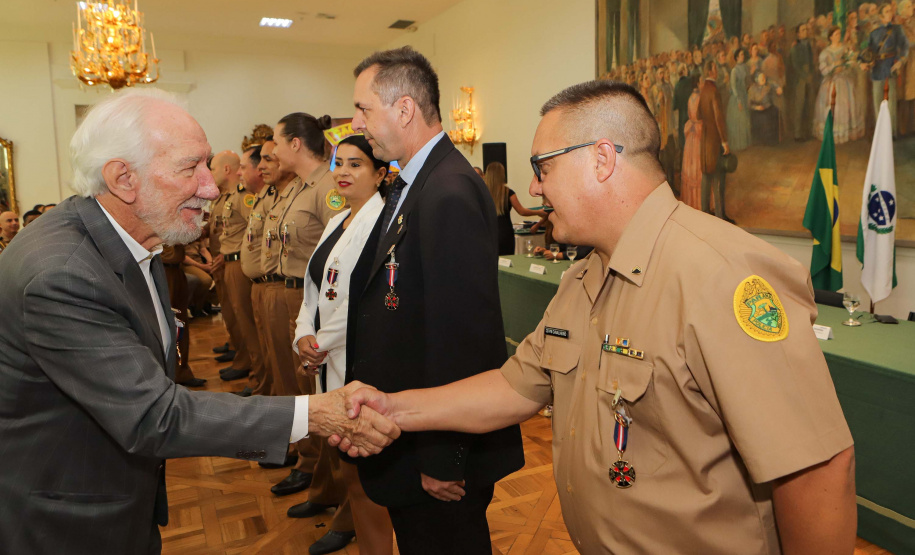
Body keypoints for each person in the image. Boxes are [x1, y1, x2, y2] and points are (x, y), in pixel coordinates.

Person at [337, 79, 857, 555]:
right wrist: (392, 407)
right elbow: (514, 386)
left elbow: (816, 470)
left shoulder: (721, 276)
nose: (535, 188)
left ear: (602, 159)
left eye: (544, 167)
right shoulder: (584, 278)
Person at [0, 88, 400, 554]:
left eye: (207, 166)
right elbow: (154, 414)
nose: (211, 186)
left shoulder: (127, 243)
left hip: (110, 502)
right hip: (67, 524)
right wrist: (315, 412)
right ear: (123, 178)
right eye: (191, 168)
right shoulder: (63, 273)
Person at [347, 46, 524, 554]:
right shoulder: (415, 180)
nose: (358, 124)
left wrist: (444, 458)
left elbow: (462, 339)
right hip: (409, 432)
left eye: (364, 109)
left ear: (404, 109)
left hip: (434, 449)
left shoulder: (448, 189)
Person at [293, 134, 394, 555]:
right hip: (327, 355)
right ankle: (353, 527)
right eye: (339, 163)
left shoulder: (383, 220)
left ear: (380, 174)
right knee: (345, 459)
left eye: (356, 164)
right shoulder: (338, 220)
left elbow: (363, 296)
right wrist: (303, 334)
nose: (343, 172)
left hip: (357, 357)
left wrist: (322, 342)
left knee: (363, 467)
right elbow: (312, 287)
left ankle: (376, 546)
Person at [266, 112, 341, 498]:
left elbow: (340, 253)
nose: (274, 151)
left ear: (296, 143)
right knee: (291, 385)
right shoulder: (298, 187)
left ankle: (322, 475)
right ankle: (308, 463)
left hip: (312, 301)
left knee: (309, 390)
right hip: (290, 294)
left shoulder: (328, 187)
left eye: (277, 142)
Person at [218, 147, 267, 387]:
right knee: (239, 319)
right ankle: (255, 375)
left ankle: (257, 377)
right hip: (233, 260)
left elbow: (254, 230)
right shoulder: (236, 195)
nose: (240, 173)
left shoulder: (246, 196)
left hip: (240, 262)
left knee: (247, 322)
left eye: (244, 167)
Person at [860, 2, 910, 136]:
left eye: (890, 11)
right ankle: (880, 134)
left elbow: (905, 47)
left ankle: (891, 133)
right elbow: (866, 51)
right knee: (878, 102)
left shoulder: (897, 29)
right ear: (881, 16)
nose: (890, 13)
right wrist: (863, 63)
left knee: (891, 103)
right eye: (887, 12)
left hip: (891, 67)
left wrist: (900, 61)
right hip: (876, 69)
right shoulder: (873, 33)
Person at [485, 161, 548, 255]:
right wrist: (538, 212)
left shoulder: (482, 193)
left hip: (487, 231)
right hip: (504, 232)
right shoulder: (507, 192)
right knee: (506, 260)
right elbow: (522, 211)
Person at [814, 26, 865, 144]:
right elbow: (823, 70)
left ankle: (845, 133)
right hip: (831, 82)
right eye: (836, 34)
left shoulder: (844, 49)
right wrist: (833, 67)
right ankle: (831, 133)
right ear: (831, 37)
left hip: (844, 81)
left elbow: (851, 63)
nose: (838, 36)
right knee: (832, 107)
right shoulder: (825, 52)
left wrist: (845, 67)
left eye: (839, 34)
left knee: (844, 105)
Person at [698, 60, 732, 222]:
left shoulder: (703, 90)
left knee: (706, 175)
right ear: (711, 71)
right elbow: (719, 118)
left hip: (705, 140)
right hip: (714, 139)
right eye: (715, 68)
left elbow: (698, 115)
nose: (717, 71)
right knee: (718, 176)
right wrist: (724, 141)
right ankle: (720, 215)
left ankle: (704, 211)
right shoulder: (713, 91)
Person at [791, 23, 817, 141]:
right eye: (803, 30)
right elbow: (795, 66)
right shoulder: (795, 48)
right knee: (799, 105)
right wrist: (805, 76)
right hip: (800, 80)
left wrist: (811, 73)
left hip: (810, 77)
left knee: (809, 104)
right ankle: (797, 134)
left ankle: (808, 132)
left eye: (806, 29)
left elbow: (812, 62)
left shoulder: (809, 46)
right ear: (798, 34)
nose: (805, 31)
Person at [681, 87, 703, 209]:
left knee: (692, 167)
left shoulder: (691, 97)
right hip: (697, 135)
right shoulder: (699, 97)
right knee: (695, 167)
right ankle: (697, 203)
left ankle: (691, 202)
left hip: (691, 136)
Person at [727, 48, 752, 151]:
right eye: (741, 55)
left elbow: (747, 81)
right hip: (737, 97)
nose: (743, 56)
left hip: (744, 95)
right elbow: (733, 87)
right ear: (737, 58)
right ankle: (739, 145)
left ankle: (745, 144)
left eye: (743, 55)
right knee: (740, 120)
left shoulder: (745, 67)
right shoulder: (734, 70)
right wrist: (738, 100)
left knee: (746, 120)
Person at [749, 71, 783, 146]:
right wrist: (756, 107)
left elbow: (774, 84)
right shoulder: (752, 89)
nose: (764, 79)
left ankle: (773, 139)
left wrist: (778, 87)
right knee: (763, 118)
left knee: (775, 112)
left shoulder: (768, 85)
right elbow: (749, 104)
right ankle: (763, 140)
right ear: (756, 80)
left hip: (768, 107)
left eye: (764, 78)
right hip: (757, 109)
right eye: (761, 78)